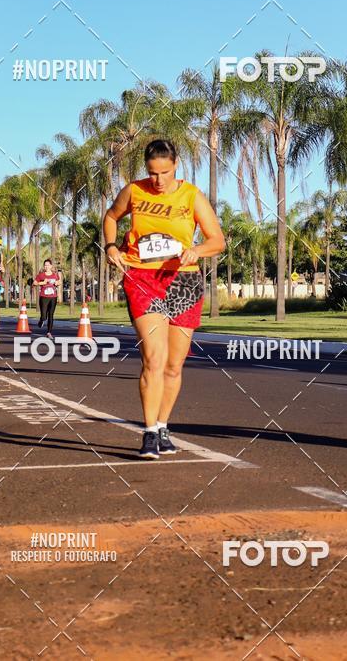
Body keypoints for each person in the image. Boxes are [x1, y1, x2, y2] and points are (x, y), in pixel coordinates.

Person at [103, 138, 225, 460]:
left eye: (165, 173)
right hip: (142, 279)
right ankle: (148, 432)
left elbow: (218, 241)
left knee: (173, 365)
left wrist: (196, 250)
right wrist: (111, 246)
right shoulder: (134, 191)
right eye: (152, 173)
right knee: (154, 359)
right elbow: (111, 216)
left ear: (176, 165)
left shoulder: (191, 195)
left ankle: (163, 425)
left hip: (183, 281)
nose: (158, 180)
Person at [34, 259, 59, 336]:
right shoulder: (41, 275)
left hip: (53, 297)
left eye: (48, 265)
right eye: (45, 265)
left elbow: (59, 282)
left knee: (51, 314)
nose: (46, 266)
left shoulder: (55, 275)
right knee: (44, 316)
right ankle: (41, 320)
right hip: (43, 297)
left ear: (51, 266)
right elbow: (34, 283)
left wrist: (57, 283)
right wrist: (43, 282)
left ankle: (49, 332)